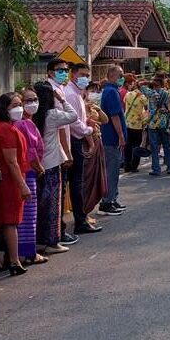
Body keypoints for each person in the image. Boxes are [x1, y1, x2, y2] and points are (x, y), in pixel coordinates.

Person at [0, 92, 32, 276]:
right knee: (10, 222)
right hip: (9, 180)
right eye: (14, 105)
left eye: (20, 104)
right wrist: (23, 185)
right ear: (4, 108)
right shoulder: (7, 130)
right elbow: (12, 161)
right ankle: (14, 260)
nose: (19, 108)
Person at [34, 81, 78, 252]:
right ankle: (52, 240)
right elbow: (72, 115)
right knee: (53, 205)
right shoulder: (52, 114)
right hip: (52, 164)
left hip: (36, 165)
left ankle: (38, 240)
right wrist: (62, 99)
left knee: (38, 205)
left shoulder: (32, 115)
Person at [64, 63, 102, 235]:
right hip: (74, 140)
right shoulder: (71, 94)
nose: (85, 78)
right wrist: (88, 130)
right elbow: (74, 122)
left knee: (76, 183)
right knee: (76, 183)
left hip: (77, 138)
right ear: (73, 75)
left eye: (87, 75)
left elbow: (80, 119)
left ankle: (81, 218)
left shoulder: (76, 93)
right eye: (82, 74)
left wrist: (88, 125)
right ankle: (80, 220)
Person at [14, 87, 46, 266]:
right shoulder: (22, 124)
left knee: (29, 215)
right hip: (28, 171)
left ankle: (27, 252)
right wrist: (39, 167)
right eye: (27, 101)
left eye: (35, 99)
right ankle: (27, 253)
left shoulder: (27, 123)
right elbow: (30, 151)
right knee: (28, 215)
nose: (32, 103)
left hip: (29, 171)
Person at [99, 66, 127, 216]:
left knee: (114, 169)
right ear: (111, 75)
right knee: (112, 169)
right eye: (120, 75)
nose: (122, 77)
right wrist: (121, 136)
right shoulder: (111, 92)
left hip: (112, 137)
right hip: (112, 138)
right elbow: (114, 116)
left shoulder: (112, 90)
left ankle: (113, 198)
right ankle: (107, 201)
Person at [81, 83, 109, 214]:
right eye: (89, 90)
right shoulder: (79, 107)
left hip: (97, 141)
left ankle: (87, 211)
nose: (90, 93)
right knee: (87, 180)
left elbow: (105, 120)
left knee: (96, 178)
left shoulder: (92, 106)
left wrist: (98, 109)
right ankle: (83, 211)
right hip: (87, 145)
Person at [146, 72, 170, 176]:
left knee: (154, 146)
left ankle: (156, 169)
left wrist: (149, 82)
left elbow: (139, 84)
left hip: (153, 122)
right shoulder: (166, 93)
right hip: (164, 122)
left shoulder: (150, 93)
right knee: (167, 145)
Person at [123, 80, 149, 173]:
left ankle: (127, 166)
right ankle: (134, 166)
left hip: (127, 123)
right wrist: (144, 121)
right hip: (137, 124)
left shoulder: (128, 94)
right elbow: (146, 109)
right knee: (136, 146)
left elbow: (125, 103)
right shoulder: (142, 97)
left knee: (127, 145)